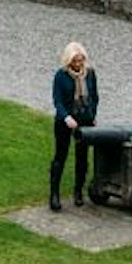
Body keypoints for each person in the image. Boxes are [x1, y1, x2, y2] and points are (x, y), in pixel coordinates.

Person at [48, 40, 98, 211]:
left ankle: (78, 190)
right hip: (65, 121)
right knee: (60, 156)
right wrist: (66, 117)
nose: (78, 64)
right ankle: (54, 194)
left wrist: (92, 115)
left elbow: (94, 96)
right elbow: (57, 101)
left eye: (80, 60)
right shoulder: (61, 76)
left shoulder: (90, 74)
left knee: (82, 157)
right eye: (75, 61)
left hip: (84, 119)